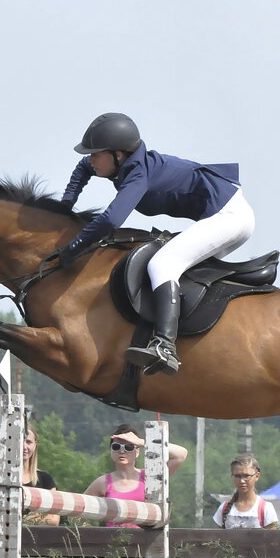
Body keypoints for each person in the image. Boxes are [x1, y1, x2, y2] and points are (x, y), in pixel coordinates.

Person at [57, 112, 254, 376]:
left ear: (118, 154)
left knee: (163, 263)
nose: (91, 160)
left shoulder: (139, 174)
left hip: (231, 218)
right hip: (222, 214)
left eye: (95, 154)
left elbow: (111, 220)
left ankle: (165, 347)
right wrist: (63, 208)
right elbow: (83, 168)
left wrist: (74, 246)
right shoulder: (121, 163)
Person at [83, 423, 188, 527]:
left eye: (129, 447)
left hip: (146, 540)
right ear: (111, 451)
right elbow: (80, 510)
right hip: (115, 541)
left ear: (137, 452)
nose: (122, 450)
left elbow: (181, 454)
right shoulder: (103, 482)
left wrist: (141, 442)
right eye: (116, 447)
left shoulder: (151, 476)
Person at [212, 454, 278, 558]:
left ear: (257, 476)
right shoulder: (225, 508)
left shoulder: (265, 508)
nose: (242, 480)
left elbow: (273, 550)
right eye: (237, 476)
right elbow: (215, 549)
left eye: (246, 476)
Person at [21, 423, 60, 526]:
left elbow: (54, 520)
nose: (24, 447)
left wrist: (23, 520)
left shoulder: (46, 479)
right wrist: (40, 515)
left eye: (29, 442)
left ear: (35, 445)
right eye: (19, 441)